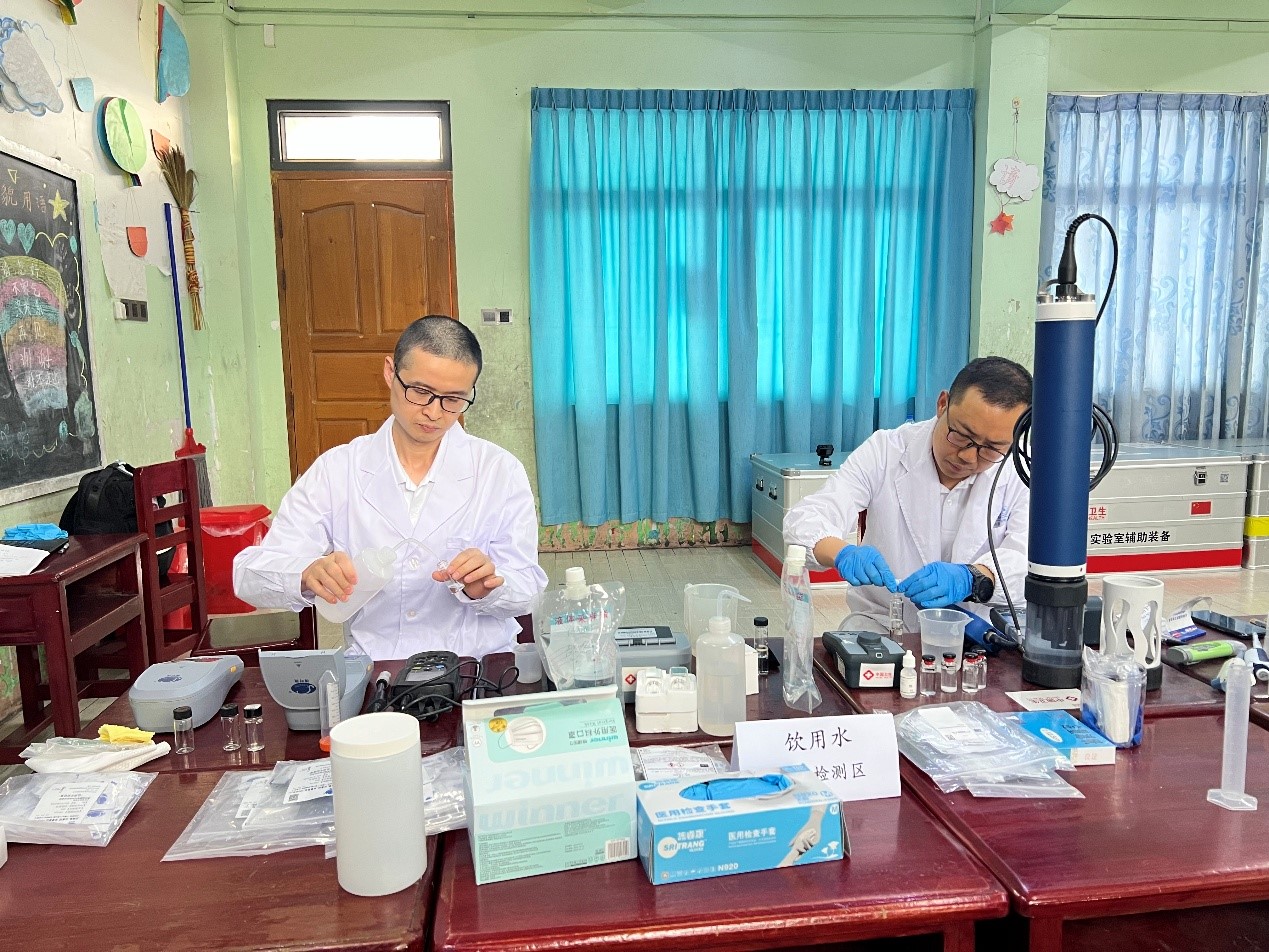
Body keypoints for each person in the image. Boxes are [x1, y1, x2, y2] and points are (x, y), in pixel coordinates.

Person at [234, 315, 548, 661]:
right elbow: (247, 576)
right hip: (376, 670)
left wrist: (488, 587)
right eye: (420, 392)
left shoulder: (499, 471)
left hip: (476, 666)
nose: (434, 412)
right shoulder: (338, 470)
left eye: (453, 399)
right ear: (390, 372)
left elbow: (529, 590)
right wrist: (305, 574)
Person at [783, 356, 1032, 628]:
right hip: (881, 623)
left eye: (991, 449)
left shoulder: (1023, 471)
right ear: (943, 404)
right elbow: (805, 518)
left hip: (979, 630)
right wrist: (842, 553)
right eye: (961, 435)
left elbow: (1031, 564)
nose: (968, 457)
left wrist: (974, 578)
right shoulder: (886, 451)